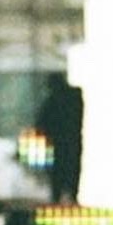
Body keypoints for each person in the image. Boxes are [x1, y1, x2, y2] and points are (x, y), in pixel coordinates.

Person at [34, 72, 84, 202]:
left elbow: (41, 123)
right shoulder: (75, 99)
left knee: (57, 174)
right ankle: (72, 197)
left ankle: (57, 198)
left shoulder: (53, 101)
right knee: (72, 171)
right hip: (73, 142)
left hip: (58, 143)